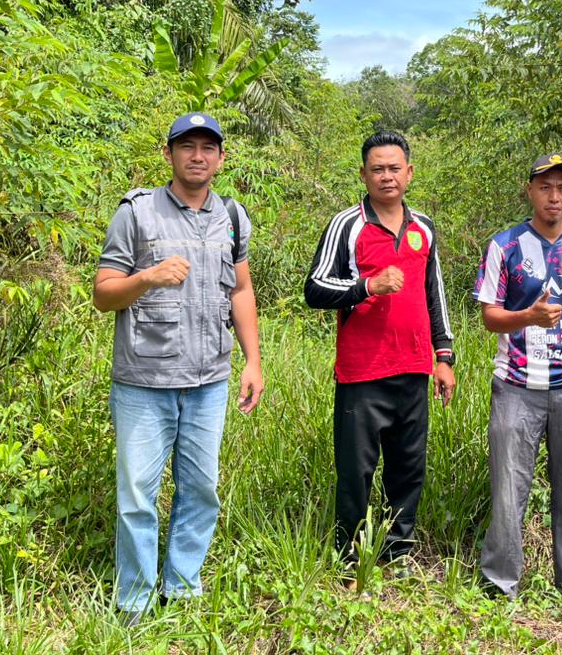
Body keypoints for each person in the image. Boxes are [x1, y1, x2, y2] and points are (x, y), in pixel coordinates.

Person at [93, 112, 265, 625]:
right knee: (136, 497)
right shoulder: (137, 213)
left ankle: (182, 590)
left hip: (209, 380)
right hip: (144, 382)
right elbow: (103, 294)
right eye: (187, 146)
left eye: (207, 147)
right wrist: (146, 277)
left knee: (201, 491)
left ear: (221, 158)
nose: (197, 155)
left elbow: (241, 290)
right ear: (168, 154)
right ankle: (134, 602)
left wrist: (253, 360)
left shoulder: (232, 216)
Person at [304, 130, 455, 581]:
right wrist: (368, 285)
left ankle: (396, 553)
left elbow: (434, 294)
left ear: (409, 172)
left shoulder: (423, 227)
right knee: (356, 470)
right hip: (362, 372)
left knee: (409, 467)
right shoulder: (346, 225)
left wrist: (444, 356)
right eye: (377, 169)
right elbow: (315, 288)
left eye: (394, 168)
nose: (387, 176)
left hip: (414, 367)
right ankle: (348, 556)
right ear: (363, 174)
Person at [474, 153, 562, 604]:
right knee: (508, 490)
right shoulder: (505, 246)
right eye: (545, 187)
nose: (555, 196)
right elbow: (490, 316)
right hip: (516, 385)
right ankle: (500, 583)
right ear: (530, 191)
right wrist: (528, 317)